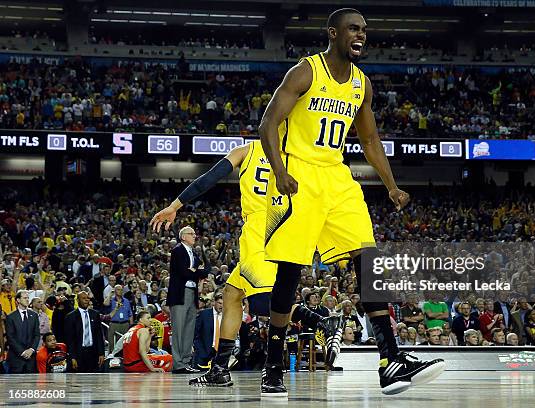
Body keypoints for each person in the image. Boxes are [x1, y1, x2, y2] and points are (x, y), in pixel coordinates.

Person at [257, 8, 443, 396]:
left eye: (364, 30)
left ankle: (389, 360)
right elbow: (268, 124)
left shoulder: (362, 84)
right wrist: (279, 171)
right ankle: (272, 365)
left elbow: (370, 140)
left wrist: (391, 185)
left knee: (369, 259)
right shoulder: (305, 71)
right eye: (353, 29)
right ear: (333, 33)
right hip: (299, 175)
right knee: (290, 272)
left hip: (338, 178)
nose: (360, 35)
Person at [150, 140, 343, 387]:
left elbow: (210, 177)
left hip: (260, 228)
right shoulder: (298, 151)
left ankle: (321, 321)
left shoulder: (247, 150)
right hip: (284, 223)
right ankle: (219, 369)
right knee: (231, 295)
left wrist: (175, 205)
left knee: (263, 304)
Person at [166, 226, 210, 373]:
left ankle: (185, 361)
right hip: (180, 293)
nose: (194, 236)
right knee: (178, 329)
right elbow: (184, 272)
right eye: (191, 234)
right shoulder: (178, 250)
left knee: (189, 329)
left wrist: (195, 272)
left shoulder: (193, 253)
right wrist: (196, 272)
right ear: (183, 236)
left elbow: (203, 270)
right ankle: (178, 364)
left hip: (192, 292)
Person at [64, 291, 105, 373]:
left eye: (87, 298)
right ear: (78, 300)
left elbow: (99, 335)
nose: (86, 300)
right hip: (79, 353)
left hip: (93, 353)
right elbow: (70, 339)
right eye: (83, 298)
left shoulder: (95, 314)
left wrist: (101, 353)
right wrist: (72, 357)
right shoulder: (70, 317)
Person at [5, 290, 40, 373]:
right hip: (16, 358)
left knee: (31, 385)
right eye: (24, 298)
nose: (27, 300)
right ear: (18, 300)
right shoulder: (11, 317)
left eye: (28, 298)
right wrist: (23, 352)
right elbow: (10, 337)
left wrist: (31, 350)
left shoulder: (34, 315)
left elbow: (37, 335)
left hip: (31, 358)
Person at [193, 293, 224, 368]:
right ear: (214, 302)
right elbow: (195, 332)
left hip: (221, 354)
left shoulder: (227, 316)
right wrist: (198, 348)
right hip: (203, 353)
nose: (221, 306)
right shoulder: (204, 314)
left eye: (223, 304)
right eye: (219, 303)